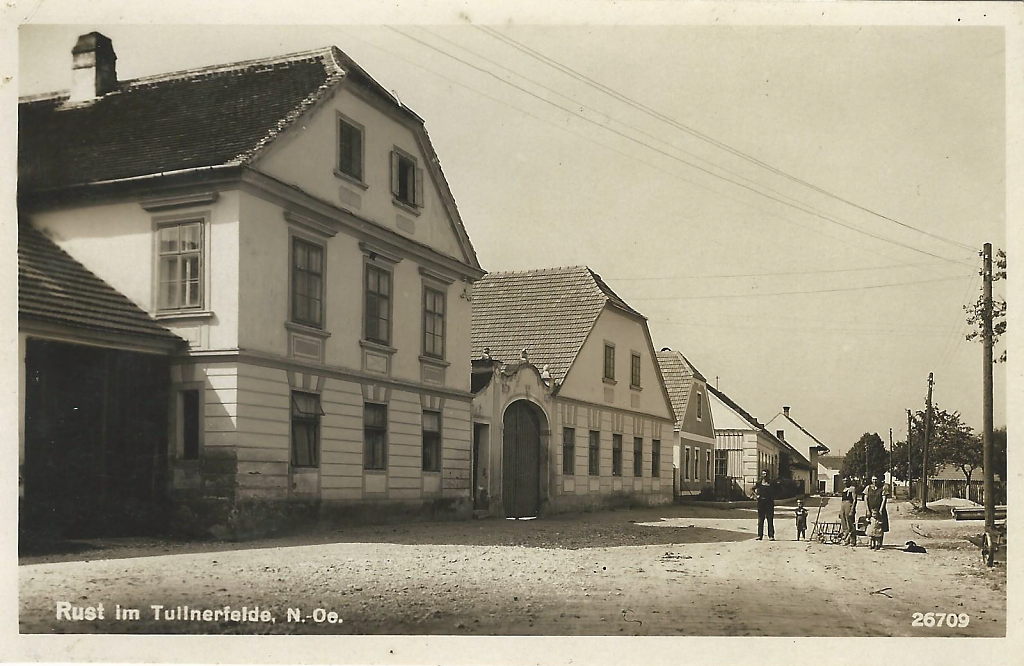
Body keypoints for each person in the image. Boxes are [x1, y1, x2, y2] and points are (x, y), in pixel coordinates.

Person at [863, 475, 890, 548]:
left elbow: (884, 499)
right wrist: (867, 509)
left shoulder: (883, 488)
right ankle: (871, 543)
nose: (874, 481)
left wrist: (881, 509)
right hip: (871, 510)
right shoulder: (868, 488)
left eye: (876, 479)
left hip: (880, 509)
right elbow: (865, 498)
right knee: (871, 526)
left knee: (880, 526)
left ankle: (879, 543)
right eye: (873, 479)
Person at [754, 470, 775, 541]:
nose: (764, 475)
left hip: (769, 503)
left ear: (768, 475)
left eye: (766, 474)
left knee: (770, 519)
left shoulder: (771, 483)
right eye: (763, 474)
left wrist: (773, 497)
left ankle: (771, 535)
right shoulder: (759, 483)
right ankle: (760, 535)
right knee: (760, 520)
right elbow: (752, 489)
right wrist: (756, 496)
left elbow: (777, 490)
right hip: (761, 503)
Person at [840, 476, 858, 547]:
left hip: (849, 505)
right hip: (843, 505)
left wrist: (852, 509)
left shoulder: (852, 488)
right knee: (844, 523)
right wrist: (841, 510)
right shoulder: (844, 489)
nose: (845, 482)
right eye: (844, 481)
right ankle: (846, 539)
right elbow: (842, 500)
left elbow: (854, 499)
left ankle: (852, 541)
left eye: (847, 481)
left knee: (850, 523)